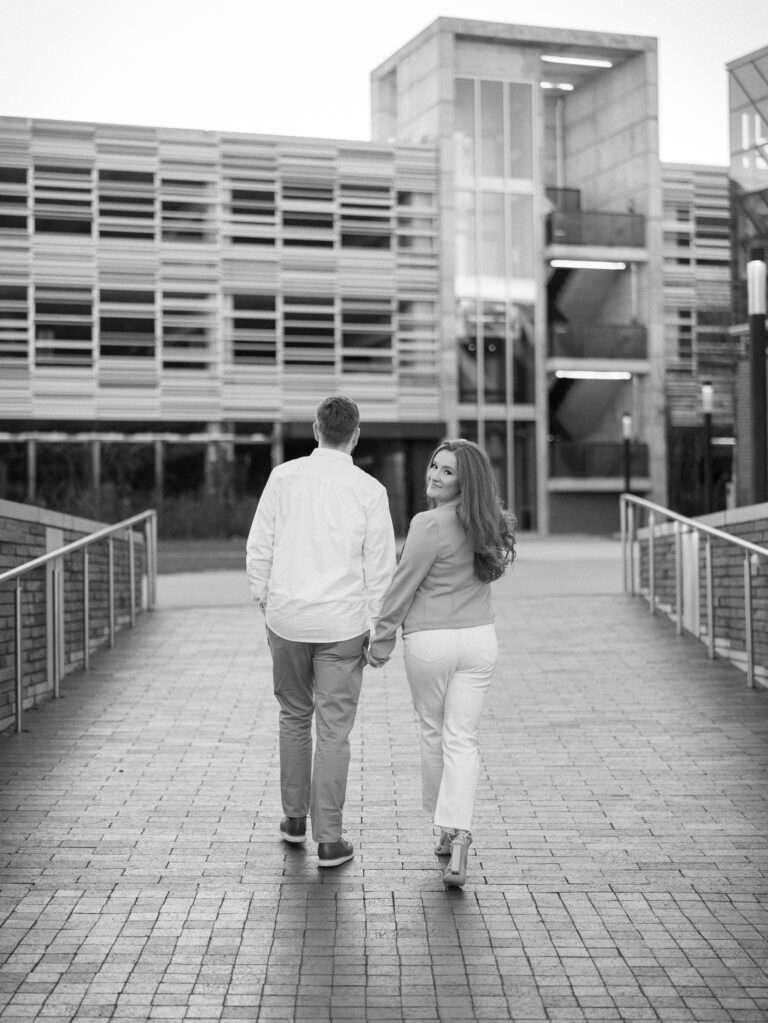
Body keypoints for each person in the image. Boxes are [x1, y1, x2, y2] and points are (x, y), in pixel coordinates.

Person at [246, 396, 396, 868]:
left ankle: (293, 820)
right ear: (355, 434)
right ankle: (329, 839)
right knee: (334, 730)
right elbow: (380, 567)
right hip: (343, 624)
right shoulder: (370, 490)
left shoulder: (283, 478)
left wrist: (266, 600)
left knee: (293, 716)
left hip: (287, 619)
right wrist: (378, 625)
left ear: (316, 429)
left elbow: (260, 545)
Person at [367, 439, 516, 888]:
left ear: (463, 481)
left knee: (434, 732)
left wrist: (382, 637)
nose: (434, 474)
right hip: (479, 641)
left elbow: (403, 584)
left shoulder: (427, 524)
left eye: (447, 471)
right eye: (434, 465)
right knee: (463, 739)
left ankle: (446, 828)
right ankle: (460, 833)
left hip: (431, 642)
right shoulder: (488, 523)